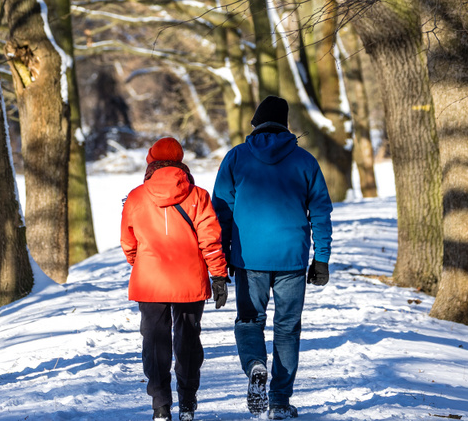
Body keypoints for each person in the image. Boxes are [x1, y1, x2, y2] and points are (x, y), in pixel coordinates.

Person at [213, 96, 333, 419]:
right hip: (292, 259)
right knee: (287, 328)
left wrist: (220, 262)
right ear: (285, 125)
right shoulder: (305, 161)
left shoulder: (235, 158)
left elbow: (220, 212)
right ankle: (279, 401)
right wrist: (321, 257)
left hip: (248, 259)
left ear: (255, 124)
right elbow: (321, 211)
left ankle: (255, 365)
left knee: (250, 322)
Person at [122, 137, 230, 421]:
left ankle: (160, 405)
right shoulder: (198, 196)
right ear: (181, 161)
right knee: (188, 341)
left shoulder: (135, 196)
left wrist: (142, 264)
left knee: (155, 342)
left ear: (150, 162)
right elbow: (211, 240)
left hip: (150, 281)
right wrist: (218, 274)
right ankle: (188, 402)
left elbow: (128, 242)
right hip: (190, 281)